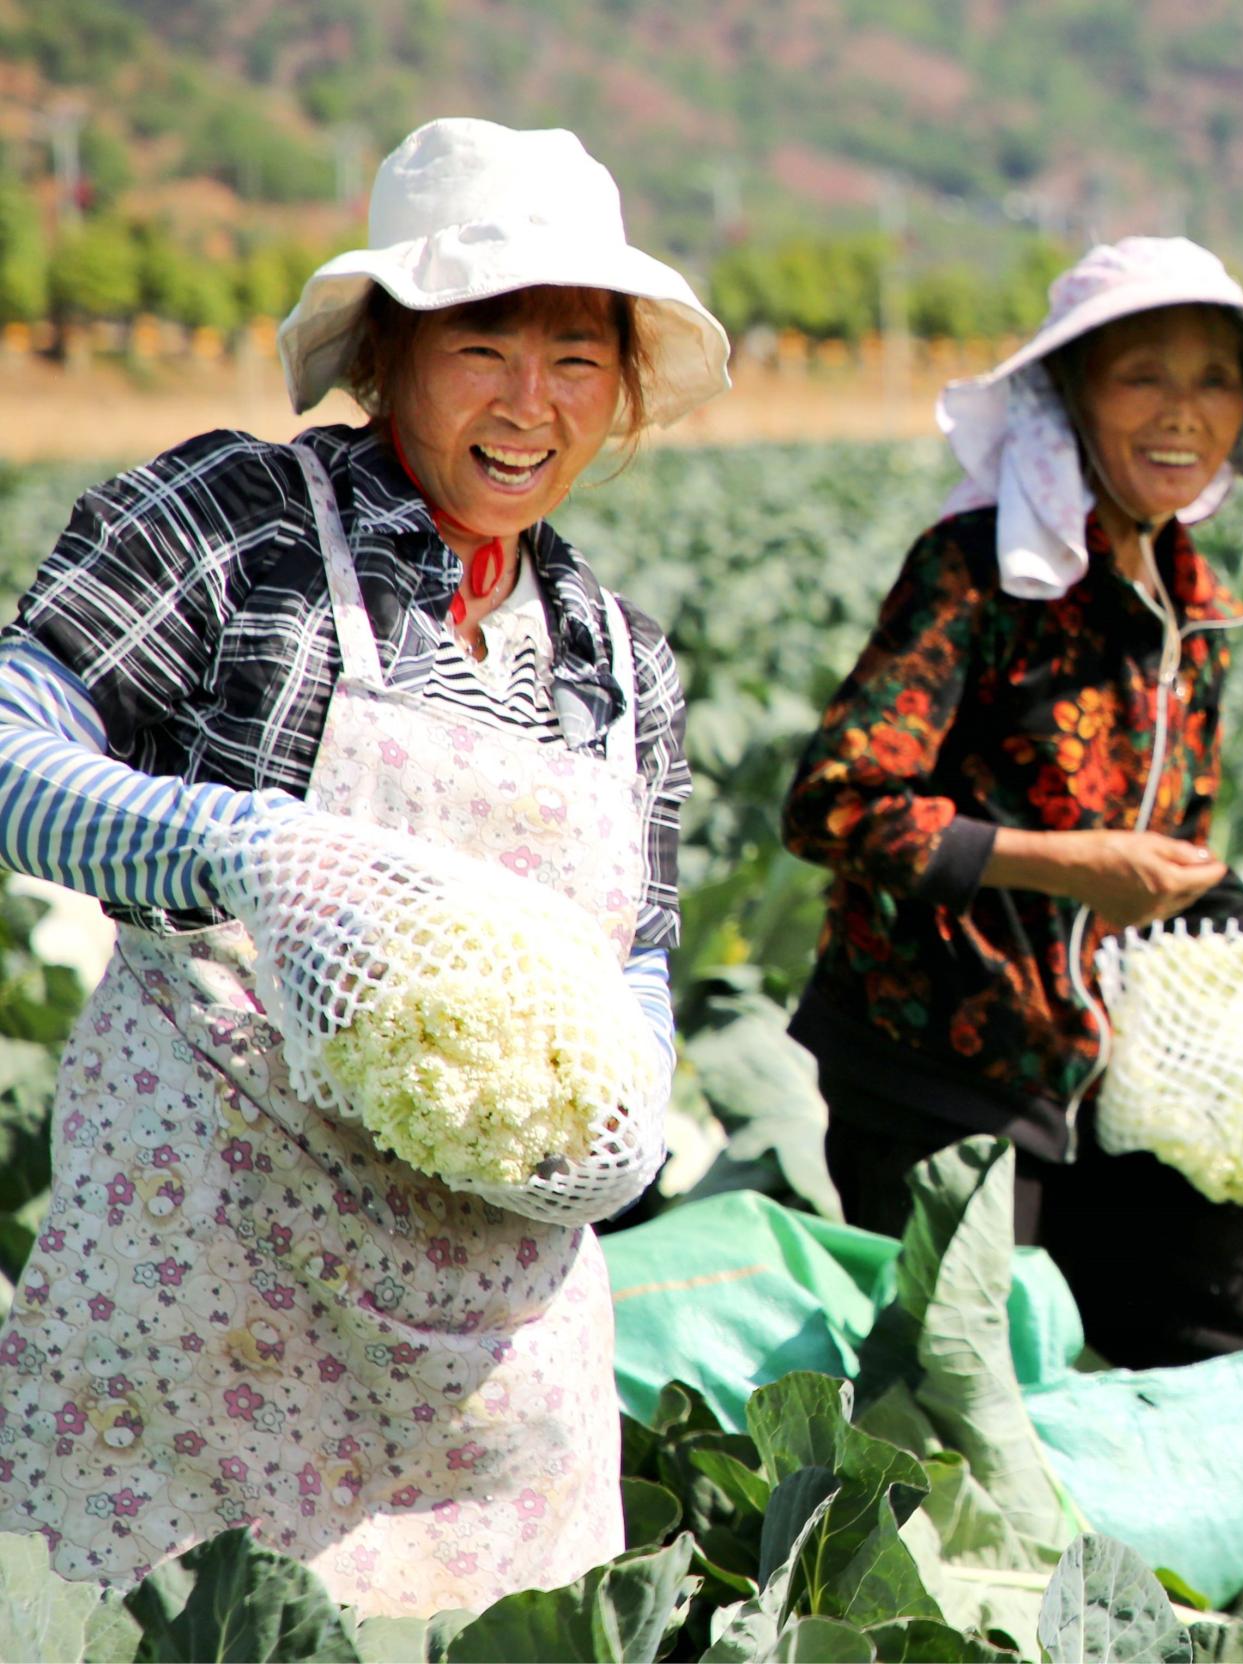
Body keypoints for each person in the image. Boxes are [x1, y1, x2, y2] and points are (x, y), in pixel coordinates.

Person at [0, 118, 724, 1613]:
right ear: (386, 352)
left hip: (494, 1407)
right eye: (484, 344)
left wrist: (631, 1102)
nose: (533, 403)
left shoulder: (622, 665)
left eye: (580, 356)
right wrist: (237, 843)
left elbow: (638, 949)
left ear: (627, 390)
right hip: (207, 1341)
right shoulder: (237, 530)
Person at [781, 236, 1243, 1520]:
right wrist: (1064, 868)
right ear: (1068, 398)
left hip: (1122, 1086)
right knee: (974, 1454)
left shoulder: (1196, 602)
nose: (1183, 411)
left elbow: (1160, 851)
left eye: (1215, 381)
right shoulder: (973, 573)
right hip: (945, 1084)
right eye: (1141, 377)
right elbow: (835, 801)